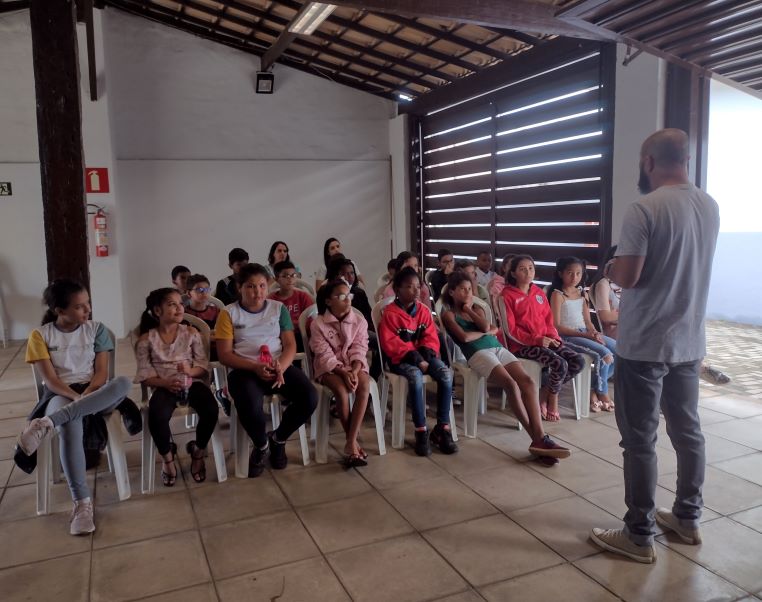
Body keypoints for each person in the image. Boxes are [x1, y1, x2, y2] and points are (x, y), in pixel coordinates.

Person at [590, 129, 721, 564]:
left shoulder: (644, 208)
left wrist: (609, 265)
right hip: (689, 341)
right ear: (686, 158)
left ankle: (639, 535)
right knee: (688, 432)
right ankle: (687, 518)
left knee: (640, 440)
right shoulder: (709, 205)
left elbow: (627, 276)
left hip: (645, 343)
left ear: (648, 161)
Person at [17, 278, 132, 535]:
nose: (87, 310)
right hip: (60, 393)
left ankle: (46, 423)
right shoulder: (40, 335)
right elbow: (51, 380)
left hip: (94, 391)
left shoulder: (97, 329)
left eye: (87, 303)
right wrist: (75, 398)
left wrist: (88, 395)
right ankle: (82, 504)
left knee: (123, 382)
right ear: (60, 311)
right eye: (80, 306)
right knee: (70, 423)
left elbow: (101, 374)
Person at [440, 272, 570, 465]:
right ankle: (537, 439)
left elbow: (486, 327)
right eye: (462, 289)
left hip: (498, 349)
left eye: (469, 289)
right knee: (510, 384)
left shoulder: (477, 309)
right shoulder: (448, 314)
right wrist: (486, 331)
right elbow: (465, 338)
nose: (467, 293)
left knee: (528, 382)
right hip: (477, 354)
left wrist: (471, 311)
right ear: (452, 292)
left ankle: (540, 438)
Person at [216, 263, 318, 477]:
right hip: (244, 368)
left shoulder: (278, 309)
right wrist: (255, 367)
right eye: (251, 287)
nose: (257, 292)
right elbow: (225, 354)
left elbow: (290, 345)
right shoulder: (229, 313)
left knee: (309, 396)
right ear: (239, 287)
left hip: (276, 365)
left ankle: (278, 439)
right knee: (251, 406)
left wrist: (281, 365)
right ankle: (261, 445)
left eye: (262, 286)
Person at [135, 288, 219, 486]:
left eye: (180, 304)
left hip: (192, 383)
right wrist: (165, 382)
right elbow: (145, 376)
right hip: (163, 387)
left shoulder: (191, 333)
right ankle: (167, 458)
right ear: (157, 311)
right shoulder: (146, 340)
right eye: (172, 304)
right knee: (156, 415)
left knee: (211, 409)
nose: (179, 308)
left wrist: (190, 371)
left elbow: (202, 367)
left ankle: (197, 451)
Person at [378, 267, 457, 456]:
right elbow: (392, 345)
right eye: (409, 287)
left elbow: (430, 338)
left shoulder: (422, 310)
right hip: (400, 360)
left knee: (446, 374)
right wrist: (418, 360)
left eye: (417, 287)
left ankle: (442, 428)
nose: (415, 291)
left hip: (425, 357)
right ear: (397, 289)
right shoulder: (390, 314)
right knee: (414, 377)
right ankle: (421, 429)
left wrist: (424, 358)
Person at [501, 255, 585, 422]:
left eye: (531, 268)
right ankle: (553, 400)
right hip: (522, 346)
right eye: (522, 269)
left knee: (578, 361)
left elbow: (548, 320)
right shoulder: (506, 296)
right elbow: (510, 330)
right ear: (513, 273)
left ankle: (545, 393)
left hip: (546, 340)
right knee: (560, 364)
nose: (528, 272)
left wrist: (554, 337)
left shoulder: (538, 293)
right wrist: (537, 340)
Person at [310, 279, 370, 466]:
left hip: (354, 365)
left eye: (348, 295)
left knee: (364, 385)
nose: (347, 300)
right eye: (341, 296)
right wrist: (343, 373)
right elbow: (324, 354)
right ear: (328, 301)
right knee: (342, 392)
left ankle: (350, 443)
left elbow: (360, 348)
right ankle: (351, 441)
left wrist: (354, 369)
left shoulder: (359, 321)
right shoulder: (318, 324)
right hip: (329, 368)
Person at [549, 257, 616, 413]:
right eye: (570, 273)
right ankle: (602, 392)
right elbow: (557, 327)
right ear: (560, 273)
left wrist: (593, 332)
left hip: (584, 333)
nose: (574, 277)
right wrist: (587, 336)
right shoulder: (557, 295)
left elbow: (588, 321)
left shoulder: (582, 293)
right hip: (567, 337)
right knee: (604, 354)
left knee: (618, 350)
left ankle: (593, 388)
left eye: (578, 273)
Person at [268, 260, 314, 352]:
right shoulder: (270, 299)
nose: (290, 279)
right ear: (276, 278)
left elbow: (310, 320)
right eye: (285, 276)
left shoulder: (303, 296)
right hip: (279, 336)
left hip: (300, 334)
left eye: (293, 275)